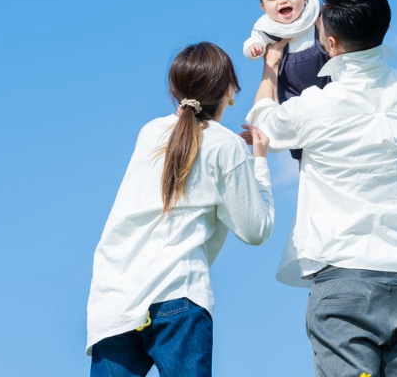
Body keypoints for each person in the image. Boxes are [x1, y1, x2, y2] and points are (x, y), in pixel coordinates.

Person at [245, 0, 397, 377]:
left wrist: (270, 69)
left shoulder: (318, 106)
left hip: (344, 276)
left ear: (331, 45)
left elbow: (264, 121)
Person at [87, 42, 275, 377]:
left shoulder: (150, 133)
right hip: (178, 292)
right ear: (229, 90)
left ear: (174, 90)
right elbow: (255, 230)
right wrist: (258, 162)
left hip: (115, 296)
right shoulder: (225, 145)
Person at [242, 0, 331, 160]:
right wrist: (254, 48)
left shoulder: (315, 14)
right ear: (264, 8)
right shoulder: (268, 28)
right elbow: (253, 40)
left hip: (324, 76)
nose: (282, 0)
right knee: (294, 129)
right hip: (291, 87)